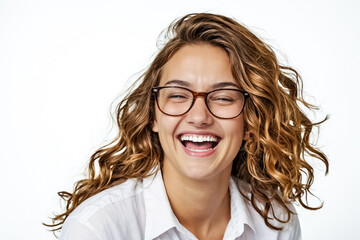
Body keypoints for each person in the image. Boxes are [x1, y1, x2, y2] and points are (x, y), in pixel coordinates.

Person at [45, 13, 328, 240]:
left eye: (223, 97)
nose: (199, 116)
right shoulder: (97, 228)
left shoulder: (276, 221)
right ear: (153, 115)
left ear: (251, 120)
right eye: (178, 95)